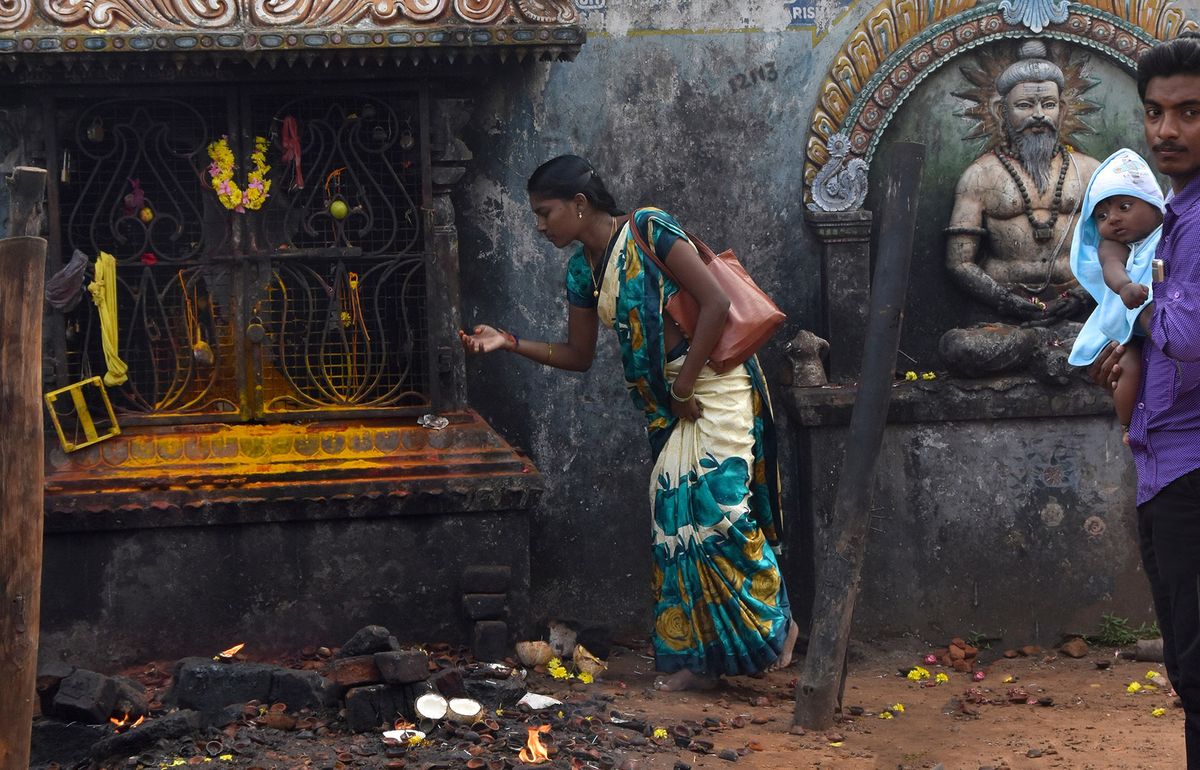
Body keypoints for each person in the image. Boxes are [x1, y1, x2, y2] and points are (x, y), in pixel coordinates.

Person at [458, 155, 797, 691]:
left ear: (579, 204)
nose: (540, 226)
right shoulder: (581, 271)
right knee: (675, 522)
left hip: (713, 386)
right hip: (670, 403)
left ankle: (774, 628)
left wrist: (684, 386)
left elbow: (712, 303)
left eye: (545, 214)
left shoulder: (649, 229)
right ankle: (699, 661)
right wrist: (508, 341)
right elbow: (578, 354)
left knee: (722, 507)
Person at [1090, 33, 1200, 768]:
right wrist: (1131, 349)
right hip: (1165, 464)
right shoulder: (1174, 211)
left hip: (1192, 473)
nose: (1167, 130)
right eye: (1156, 112)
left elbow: (1188, 332)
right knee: (1190, 670)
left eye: (1190, 112)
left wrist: (1139, 303)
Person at [939, 40, 1100, 381]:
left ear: (1063, 110)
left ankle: (1056, 347)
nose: (1039, 115)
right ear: (1002, 112)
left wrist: (1082, 297)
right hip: (1005, 321)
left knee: (1127, 340)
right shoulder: (981, 175)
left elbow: (1117, 250)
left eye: (1048, 104)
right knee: (958, 347)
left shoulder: (1090, 172)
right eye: (1025, 105)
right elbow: (959, 261)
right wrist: (1005, 301)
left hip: (1078, 314)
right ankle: (1046, 348)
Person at [1067, 148, 1165, 439]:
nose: (1112, 219)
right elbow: (1111, 268)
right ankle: (1126, 425)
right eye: (1102, 214)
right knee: (1126, 365)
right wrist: (1124, 287)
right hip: (1129, 325)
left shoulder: (1173, 231)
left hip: (1172, 326)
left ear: (1153, 203)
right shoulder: (1114, 246)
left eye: (1125, 206)